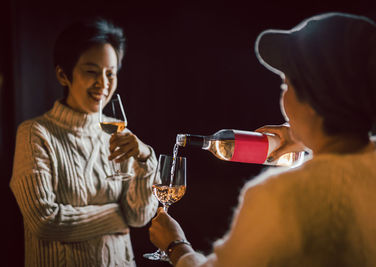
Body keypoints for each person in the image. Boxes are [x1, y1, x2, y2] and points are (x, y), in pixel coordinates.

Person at [149, 12, 376, 266]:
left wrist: (175, 245)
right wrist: (304, 136)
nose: (283, 98)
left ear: (312, 100)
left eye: (285, 86)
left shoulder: (279, 196)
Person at [10, 18, 159, 266]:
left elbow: (139, 216)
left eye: (110, 73)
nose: (103, 83)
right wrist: (115, 215)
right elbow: (44, 221)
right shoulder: (35, 134)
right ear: (62, 75)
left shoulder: (118, 133)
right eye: (91, 71)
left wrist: (144, 158)